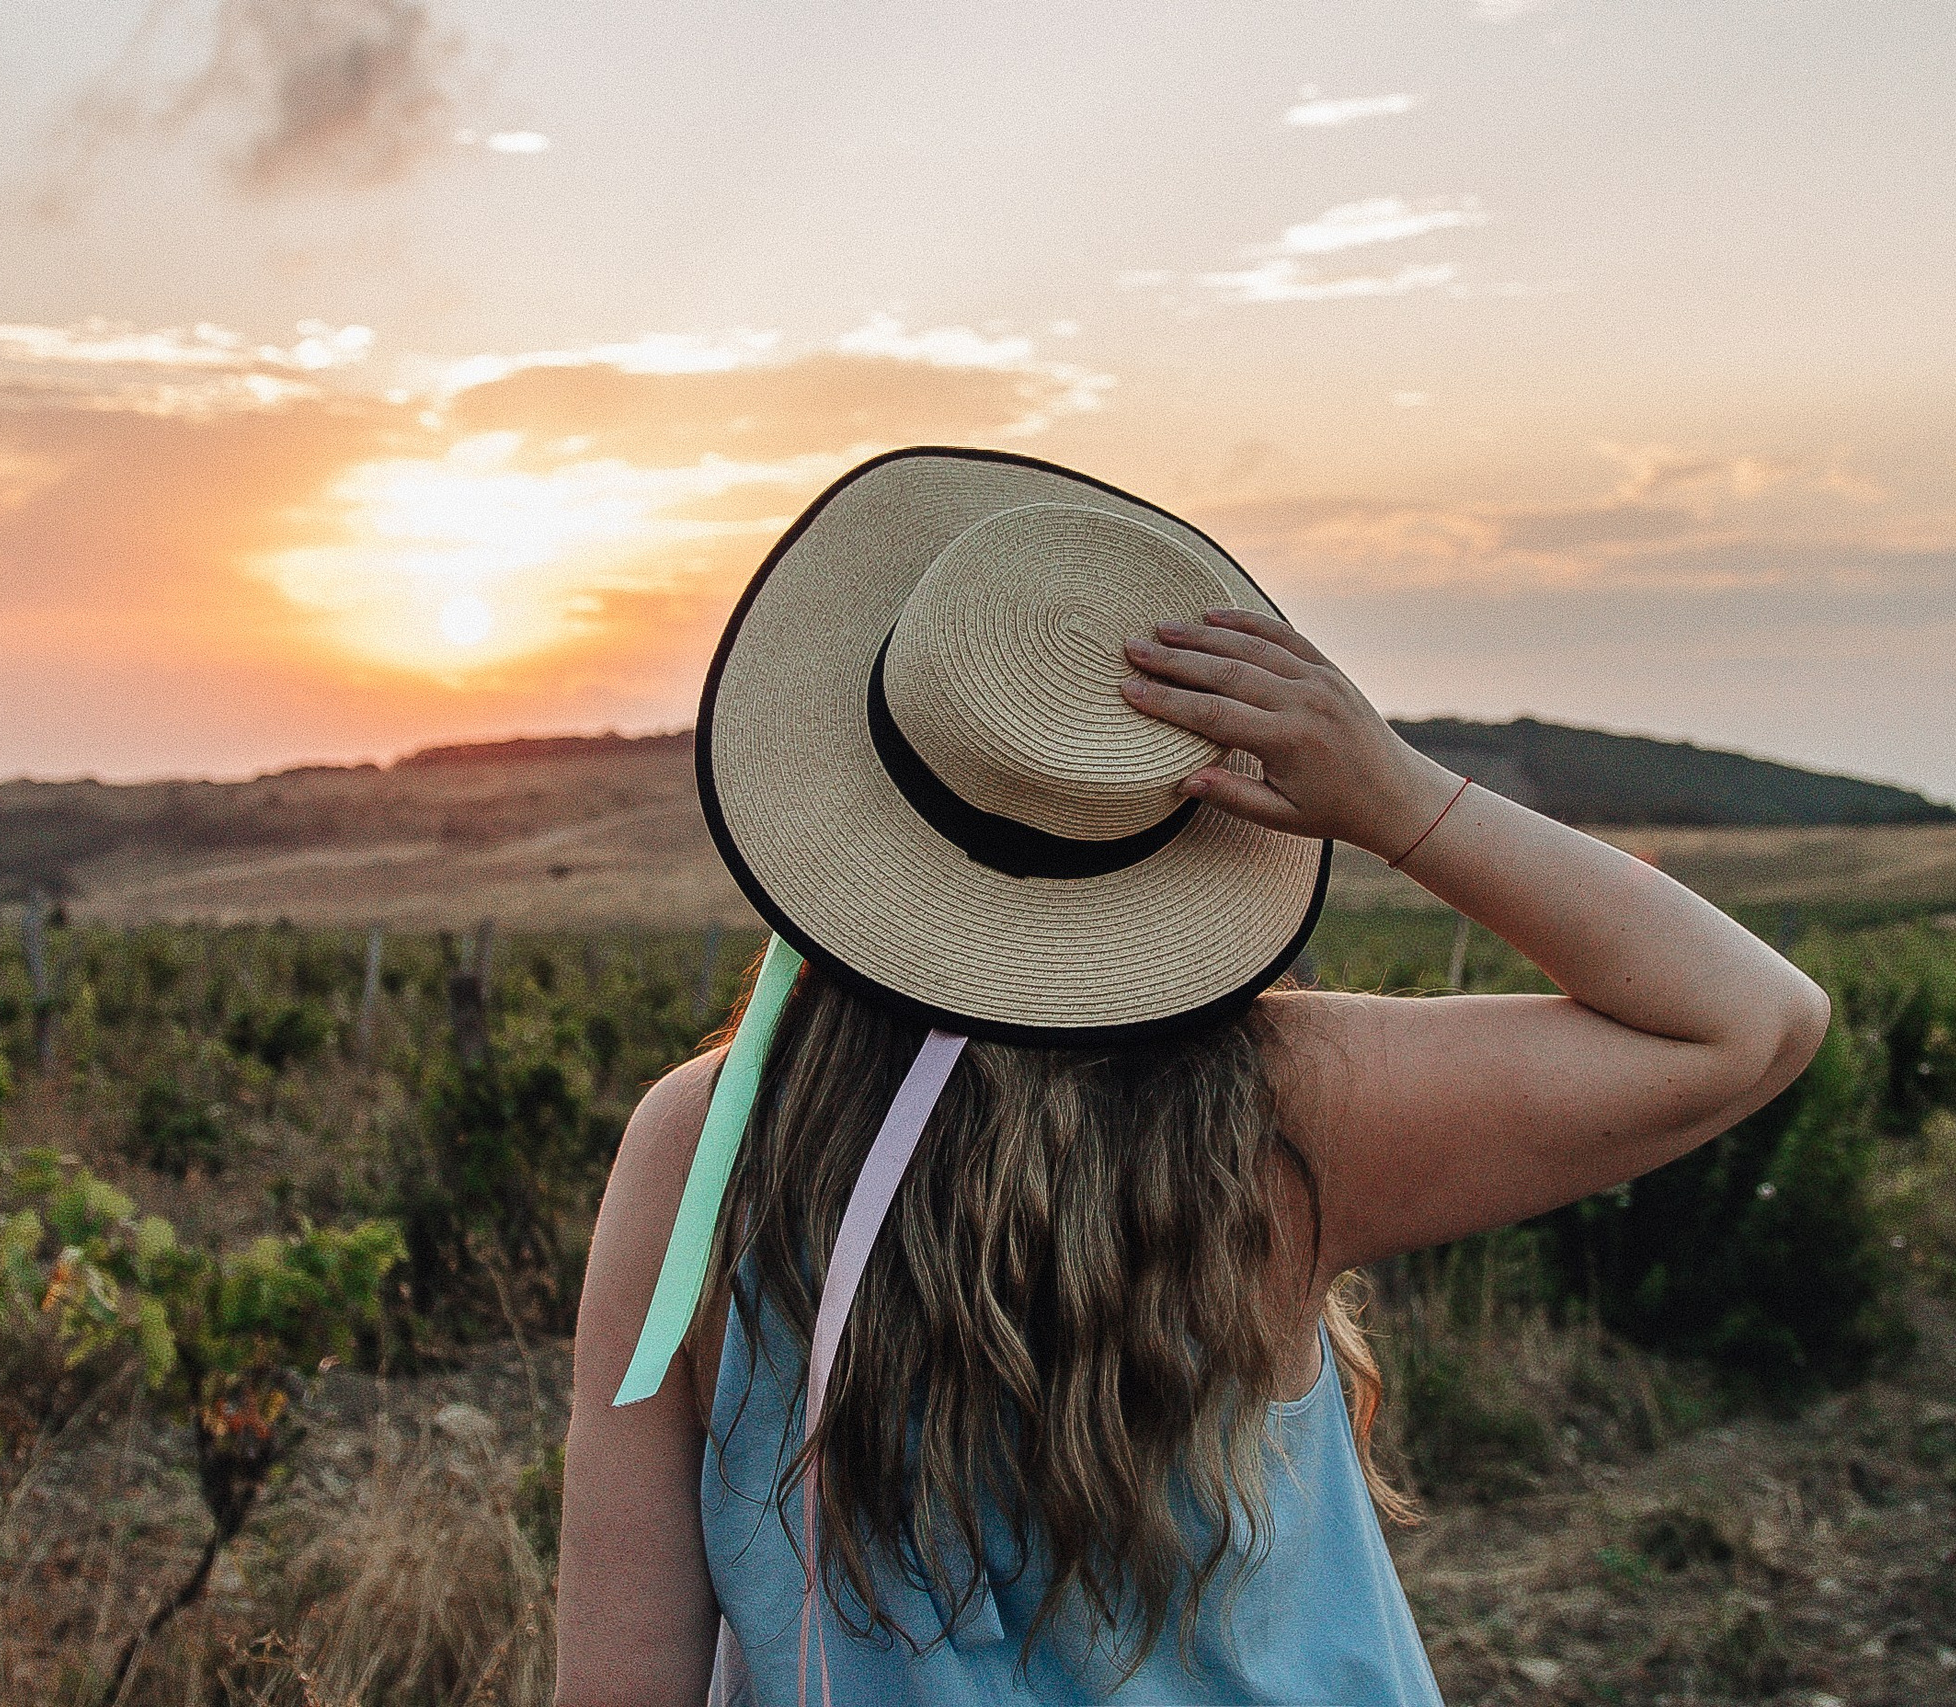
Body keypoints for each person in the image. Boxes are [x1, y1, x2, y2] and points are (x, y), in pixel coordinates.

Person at [557, 449, 1829, 1706]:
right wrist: (1399, 799)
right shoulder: (1286, 1106)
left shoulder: (704, 1143)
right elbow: (1750, 1021)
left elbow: (618, 1682)